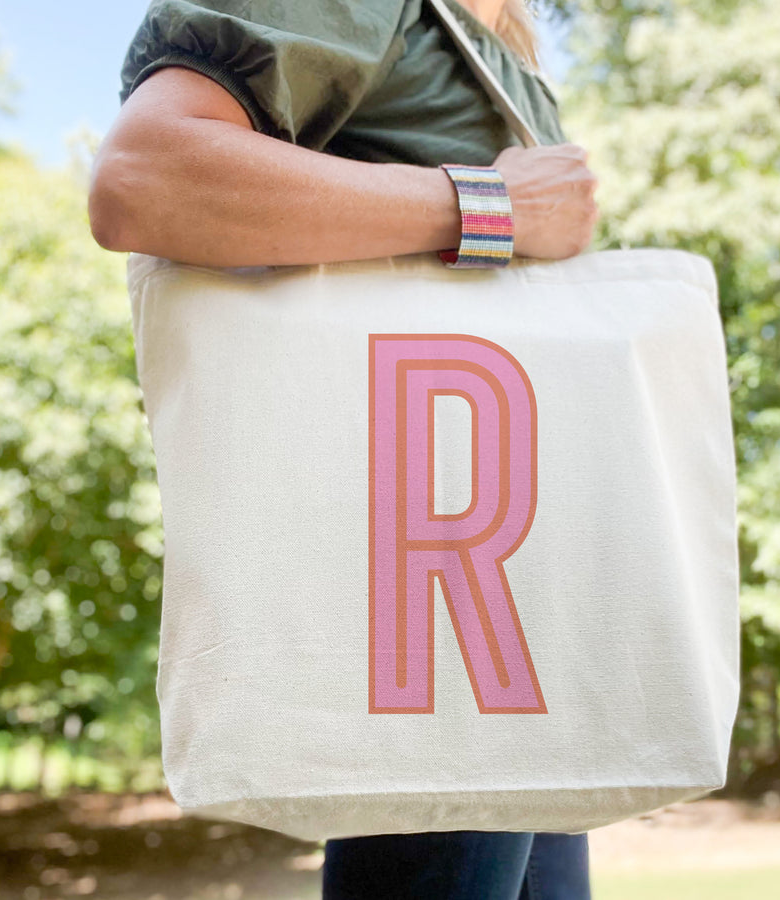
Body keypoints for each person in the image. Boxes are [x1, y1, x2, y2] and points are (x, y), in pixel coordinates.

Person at [89, 1, 598, 897]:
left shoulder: (497, 43)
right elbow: (143, 174)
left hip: (512, 606)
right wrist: (493, 205)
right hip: (433, 598)